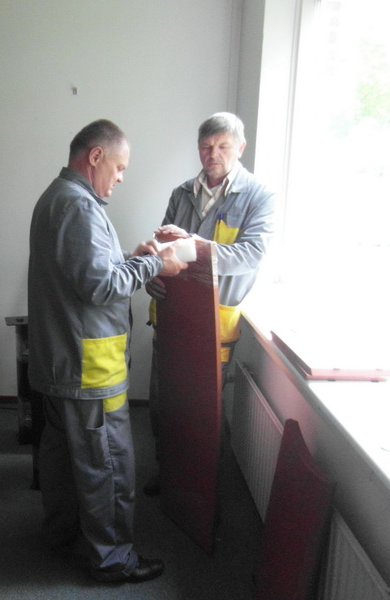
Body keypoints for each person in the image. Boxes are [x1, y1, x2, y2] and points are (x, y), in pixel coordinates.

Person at [27, 119, 188, 583]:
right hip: (90, 370)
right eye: (119, 167)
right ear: (95, 156)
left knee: (61, 458)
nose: (120, 178)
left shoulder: (57, 197)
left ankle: (62, 535)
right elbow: (100, 286)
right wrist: (155, 263)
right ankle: (113, 560)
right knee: (108, 465)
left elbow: (85, 273)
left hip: (60, 361)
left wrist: (131, 259)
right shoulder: (79, 206)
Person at [144, 112, 276, 496]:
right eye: (205, 146)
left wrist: (198, 248)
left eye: (222, 146)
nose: (212, 154)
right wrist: (152, 271)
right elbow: (163, 248)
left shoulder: (259, 196)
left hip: (214, 326)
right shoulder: (181, 193)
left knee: (203, 411)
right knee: (163, 403)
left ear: (240, 148)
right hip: (171, 316)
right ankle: (168, 474)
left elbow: (250, 255)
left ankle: (202, 492)